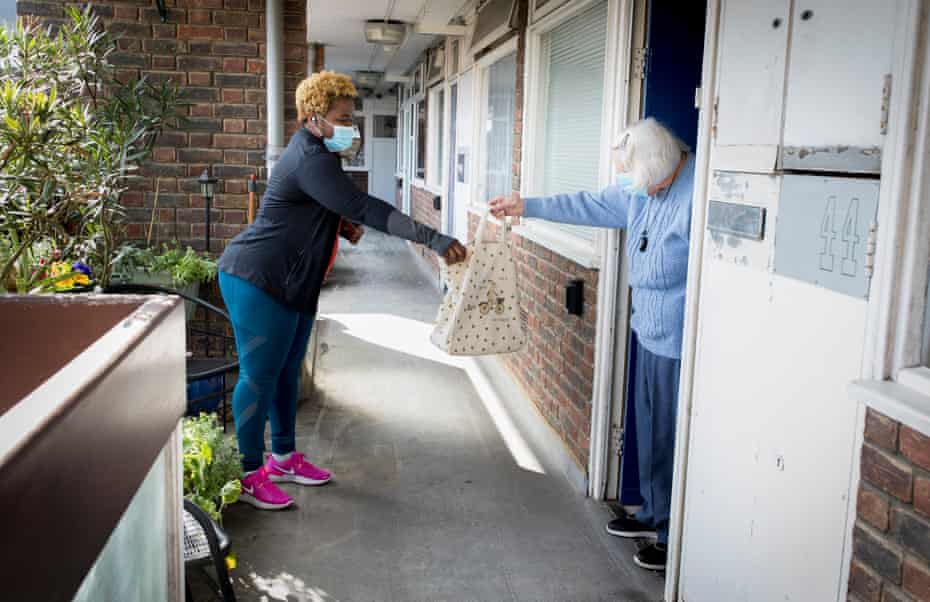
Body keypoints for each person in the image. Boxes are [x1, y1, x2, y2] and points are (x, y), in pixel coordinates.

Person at [217, 71, 467, 510]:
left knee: (286, 370)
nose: (353, 126)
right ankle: (248, 473)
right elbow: (363, 205)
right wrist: (434, 238)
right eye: (344, 116)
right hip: (259, 278)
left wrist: (336, 224)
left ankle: (283, 459)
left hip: (294, 282)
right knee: (258, 377)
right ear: (315, 118)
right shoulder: (309, 157)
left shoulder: (319, 156)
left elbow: (325, 206)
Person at [490, 118, 694, 571]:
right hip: (649, 328)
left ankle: (673, 535)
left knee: (670, 434)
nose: (631, 190)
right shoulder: (647, 185)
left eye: (635, 182)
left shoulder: (697, 194)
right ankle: (654, 514)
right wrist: (529, 205)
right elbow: (591, 204)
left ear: (661, 170)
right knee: (651, 427)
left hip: (681, 338)